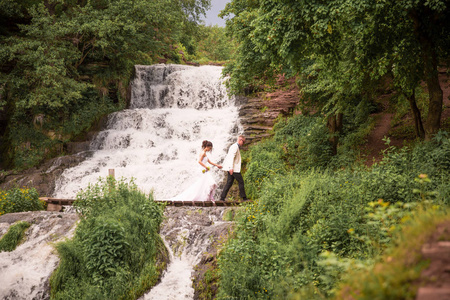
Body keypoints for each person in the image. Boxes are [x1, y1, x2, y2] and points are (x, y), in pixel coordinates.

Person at [220, 135, 248, 201]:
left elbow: (228, 157)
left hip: (231, 168)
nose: (243, 144)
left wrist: (224, 165)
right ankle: (244, 198)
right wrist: (231, 168)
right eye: (243, 142)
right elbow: (231, 157)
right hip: (233, 169)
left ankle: (222, 198)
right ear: (240, 140)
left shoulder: (234, 146)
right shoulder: (235, 147)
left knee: (229, 183)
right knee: (241, 181)